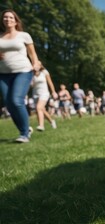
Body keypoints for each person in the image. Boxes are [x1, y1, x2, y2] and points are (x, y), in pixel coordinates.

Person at [0, 9, 41, 143]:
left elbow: (32, 53)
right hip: (3, 74)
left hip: (23, 71)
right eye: (5, 17)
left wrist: (35, 64)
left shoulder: (24, 35)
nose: (8, 20)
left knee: (16, 100)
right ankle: (25, 128)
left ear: (16, 21)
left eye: (11, 18)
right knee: (9, 104)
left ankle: (24, 134)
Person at [31, 62, 57, 131]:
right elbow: (31, 85)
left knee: (38, 107)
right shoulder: (31, 74)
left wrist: (53, 92)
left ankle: (41, 126)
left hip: (44, 93)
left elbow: (50, 83)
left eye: (38, 65)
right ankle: (52, 121)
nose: (36, 66)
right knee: (41, 110)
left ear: (40, 66)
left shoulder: (44, 72)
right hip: (35, 94)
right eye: (34, 64)